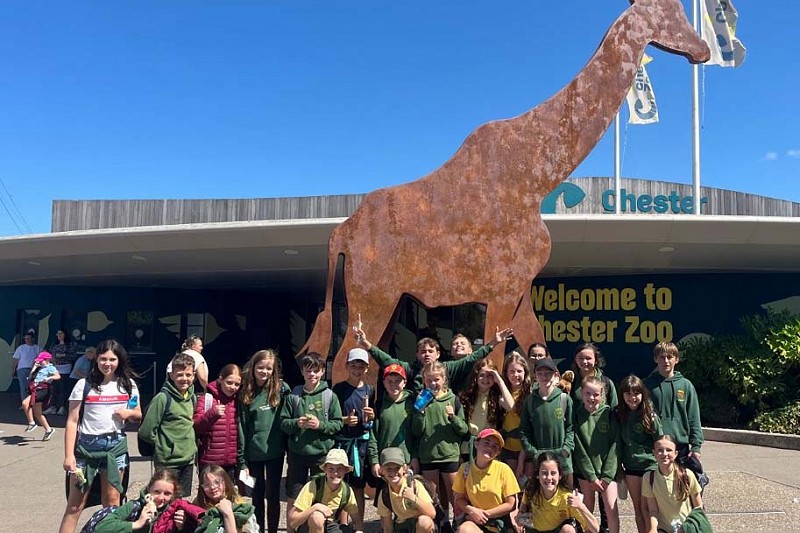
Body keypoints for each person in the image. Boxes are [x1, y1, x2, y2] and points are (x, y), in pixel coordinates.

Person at [59, 340, 142, 533]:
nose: (107, 363)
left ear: (119, 360)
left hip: (115, 448)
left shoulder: (128, 385)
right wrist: (69, 455)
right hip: (86, 449)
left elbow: (138, 413)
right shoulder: (84, 385)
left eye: (112, 359)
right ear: (96, 359)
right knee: (75, 505)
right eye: (103, 359)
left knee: (112, 504)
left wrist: (129, 413)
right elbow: (72, 421)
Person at [354, 323, 513, 395]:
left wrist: (493, 343)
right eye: (423, 351)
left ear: (438, 354)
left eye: (431, 351)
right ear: (417, 355)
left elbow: (471, 359)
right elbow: (387, 361)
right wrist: (366, 344)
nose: (427, 354)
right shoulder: (410, 369)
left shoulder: (447, 368)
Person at [280, 352, 344, 528]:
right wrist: (297, 423)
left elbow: (338, 424)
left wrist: (320, 425)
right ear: (302, 371)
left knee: (322, 494)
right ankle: (291, 530)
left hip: (321, 454)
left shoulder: (329, 396)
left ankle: (320, 528)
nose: (312, 374)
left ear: (322, 371)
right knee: (294, 495)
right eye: (308, 371)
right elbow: (283, 423)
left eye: (316, 371)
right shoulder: (294, 396)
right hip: (298, 453)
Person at [239, 349, 291, 533]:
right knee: (257, 495)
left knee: (273, 495)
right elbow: (242, 427)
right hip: (254, 453)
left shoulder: (281, 390)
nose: (264, 372)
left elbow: (288, 418)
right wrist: (242, 459)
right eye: (260, 367)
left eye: (269, 368)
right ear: (253, 367)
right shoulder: (246, 392)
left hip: (275, 451)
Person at [412, 361, 468, 517]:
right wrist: (420, 413)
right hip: (428, 455)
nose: (433, 383)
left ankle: (459, 521)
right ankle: (441, 523)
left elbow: (463, 429)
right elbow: (416, 431)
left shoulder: (453, 399)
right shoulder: (421, 400)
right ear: (424, 381)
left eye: (436, 379)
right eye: (429, 380)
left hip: (449, 454)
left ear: (444, 379)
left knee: (454, 495)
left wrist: (453, 417)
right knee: (434, 496)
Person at [138, 352, 198, 497]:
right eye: (180, 375)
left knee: (182, 501)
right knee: (164, 500)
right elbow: (146, 431)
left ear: (194, 376)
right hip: (168, 462)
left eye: (188, 375)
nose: (184, 378)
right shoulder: (162, 399)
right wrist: (164, 446)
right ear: (171, 375)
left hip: (188, 460)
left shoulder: (192, 398)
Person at [333, 348, 376, 524]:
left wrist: (372, 416)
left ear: (366, 368)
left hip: (361, 445)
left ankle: (358, 525)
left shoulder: (370, 390)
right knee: (341, 484)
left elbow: (373, 419)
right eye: (353, 366)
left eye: (361, 366)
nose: (357, 370)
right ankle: (343, 524)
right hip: (343, 444)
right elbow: (333, 417)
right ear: (347, 366)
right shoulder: (338, 389)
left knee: (358, 486)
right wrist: (345, 420)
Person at [572, 376, 620, 533]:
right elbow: (579, 449)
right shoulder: (577, 416)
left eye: (596, 394)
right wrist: (591, 476)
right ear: (582, 393)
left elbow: (615, 445)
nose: (591, 398)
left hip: (607, 473)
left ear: (602, 394)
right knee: (587, 509)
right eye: (588, 393)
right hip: (586, 473)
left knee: (611, 509)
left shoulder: (609, 414)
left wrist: (607, 475)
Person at [93, 468, 204, 533]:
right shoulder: (135, 506)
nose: (161, 497)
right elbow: (101, 527)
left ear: (173, 494)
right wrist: (137, 524)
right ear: (149, 489)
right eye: (157, 492)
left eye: (167, 494)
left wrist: (181, 527)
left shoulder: (176, 510)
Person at [519, 359, 575, 488]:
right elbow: (524, 430)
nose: (544, 376)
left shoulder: (564, 399)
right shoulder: (530, 401)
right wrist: (533, 452)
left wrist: (566, 449)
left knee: (566, 495)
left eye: (548, 373)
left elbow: (571, 428)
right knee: (543, 494)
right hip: (540, 459)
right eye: (540, 373)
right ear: (535, 376)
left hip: (562, 458)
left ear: (555, 375)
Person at [644, 343, 703, 464]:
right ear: (655, 359)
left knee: (681, 476)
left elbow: (693, 417)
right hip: (655, 444)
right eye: (662, 357)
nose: (666, 361)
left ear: (676, 359)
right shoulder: (647, 385)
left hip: (680, 445)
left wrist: (696, 446)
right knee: (657, 477)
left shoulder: (686, 385)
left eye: (669, 357)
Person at [367, 363, 417, 505]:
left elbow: (417, 433)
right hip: (386, 460)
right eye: (389, 381)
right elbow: (373, 435)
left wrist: (415, 456)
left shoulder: (411, 403)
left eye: (397, 381)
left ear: (404, 382)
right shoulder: (379, 404)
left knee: (407, 500)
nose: (393, 385)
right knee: (386, 501)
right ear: (384, 383)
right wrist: (374, 461)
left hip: (406, 459)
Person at [453, 428, 520, 533]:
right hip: (476, 521)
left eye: (494, 446)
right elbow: (459, 499)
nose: (489, 448)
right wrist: (471, 510)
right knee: (464, 529)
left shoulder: (504, 469)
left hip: (499, 523)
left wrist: (483, 514)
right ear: (476, 444)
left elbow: (511, 504)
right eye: (486, 443)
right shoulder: (465, 469)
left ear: (498, 452)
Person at [618, 375, 662, 533]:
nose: (632, 398)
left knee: (648, 508)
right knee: (638, 508)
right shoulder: (619, 414)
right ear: (622, 395)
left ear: (642, 394)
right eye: (628, 394)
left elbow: (660, 441)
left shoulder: (649, 415)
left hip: (649, 466)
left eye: (636, 393)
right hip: (631, 467)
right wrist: (619, 469)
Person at [518, 452, 599, 533]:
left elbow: (595, 529)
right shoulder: (531, 490)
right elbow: (521, 513)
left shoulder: (567, 498)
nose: (549, 478)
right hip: (535, 530)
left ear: (560, 475)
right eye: (544, 473)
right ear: (537, 475)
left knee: (568, 530)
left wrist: (581, 506)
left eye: (553, 473)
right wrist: (520, 519)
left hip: (557, 530)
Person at [287, 448, 363, 533]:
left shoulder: (347, 491)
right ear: (325, 469)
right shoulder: (313, 486)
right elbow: (293, 522)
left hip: (331, 525)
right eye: (331, 469)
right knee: (317, 517)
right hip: (308, 526)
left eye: (339, 469)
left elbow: (357, 520)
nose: (335, 473)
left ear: (346, 470)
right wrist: (315, 507)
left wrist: (359, 530)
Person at [641, 435, 703, 533]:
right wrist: (652, 529)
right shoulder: (649, 478)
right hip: (664, 529)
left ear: (675, 454)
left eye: (669, 450)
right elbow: (653, 510)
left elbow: (698, 508)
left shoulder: (687, 475)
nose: (664, 454)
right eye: (660, 450)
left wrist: (689, 527)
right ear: (654, 453)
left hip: (686, 528)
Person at [459, 358, 515, 460]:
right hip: (470, 443)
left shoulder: (497, 396)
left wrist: (499, 380)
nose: (485, 379)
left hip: (490, 443)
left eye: (490, 376)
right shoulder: (466, 396)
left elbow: (510, 406)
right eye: (482, 375)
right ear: (476, 377)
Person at [195, 364, 243, 483]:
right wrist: (212, 414)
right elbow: (197, 427)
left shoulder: (239, 401)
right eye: (229, 382)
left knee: (228, 494)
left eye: (237, 384)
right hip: (209, 461)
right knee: (208, 492)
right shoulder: (207, 399)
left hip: (231, 462)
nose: (233, 387)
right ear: (221, 379)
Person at [377, 447, 436, 533]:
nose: (393, 472)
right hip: (401, 526)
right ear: (382, 470)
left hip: (418, 525)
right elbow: (387, 526)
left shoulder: (414, 485)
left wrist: (413, 498)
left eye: (397, 468)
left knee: (424, 522)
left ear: (404, 468)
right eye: (388, 468)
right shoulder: (384, 494)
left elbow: (432, 513)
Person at [195, 465, 258, 533]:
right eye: (207, 485)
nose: (212, 487)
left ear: (225, 481)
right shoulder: (198, 506)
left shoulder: (241, 507)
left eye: (217, 482)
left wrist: (228, 513)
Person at [500, 351, 532, 483]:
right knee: (511, 485)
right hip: (508, 447)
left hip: (527, 447)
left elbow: (513, 408)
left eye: (519, 371)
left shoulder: (530, 393)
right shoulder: (501, 392)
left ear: (525, 372)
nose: (516, 375)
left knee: (526, 486)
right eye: (512, 371)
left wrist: (521, 459)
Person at [22, 351, 59, 440]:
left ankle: (31, 423)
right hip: (35, 388)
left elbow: (57, 376)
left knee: (25, 403)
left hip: (42, 389)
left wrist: (49, 377)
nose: (39, 362)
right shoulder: (39, 368)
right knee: (38, 413)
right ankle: (48, 430)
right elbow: (30, 377)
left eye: (41, 360)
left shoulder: (50, 368)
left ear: (47, 360)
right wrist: (34, 367)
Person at [570, 343, 618, 410]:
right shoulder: (571, 382)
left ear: (596, 360)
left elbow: (614, 409)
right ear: (575, 360)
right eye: (580, 358)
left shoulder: (607, 383)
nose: (584, 361)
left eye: (588, 358)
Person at [48, 329, 76, 415]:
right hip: (56, 368)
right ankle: (52, 407)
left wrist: (61, 355)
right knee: (54, 388)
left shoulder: (69, 345)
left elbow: (72, 356)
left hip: (65, 368)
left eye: (61, 333)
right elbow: (52, 356)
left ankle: (62, 407)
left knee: (62, 388)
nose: (59, 335)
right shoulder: (54, 345)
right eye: (58, 333)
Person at [12, 330, 39, 402]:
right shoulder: (21, 348)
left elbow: (42, 356)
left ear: (33, 339)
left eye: (29, 338)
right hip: (22, 369)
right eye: (26, 338)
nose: (27, 340)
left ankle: (31, 402)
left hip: (33, 369)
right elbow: (15, 360)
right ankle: (24, 403)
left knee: (32, 387)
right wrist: (13, 370)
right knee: (23, 386)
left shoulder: (37, 347)